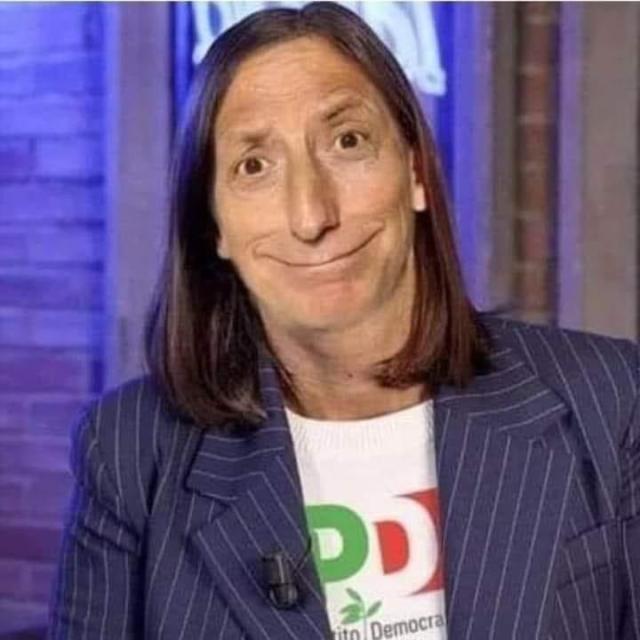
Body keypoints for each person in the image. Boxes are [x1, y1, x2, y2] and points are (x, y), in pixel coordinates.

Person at [48, 3, 640, 639]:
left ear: (415, 171)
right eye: (254, 166)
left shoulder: (610, 397)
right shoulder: (131, 453)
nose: (311, 215)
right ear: (214, 225)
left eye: (347, 141)